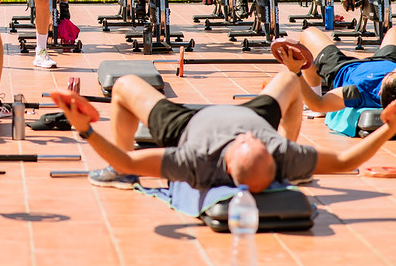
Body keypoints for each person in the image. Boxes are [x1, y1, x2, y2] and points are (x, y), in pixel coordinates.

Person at [58, 66, 396, 192]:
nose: (247, 138)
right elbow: (344, 162)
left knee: (124, 84)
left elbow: (127, 162)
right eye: (260, 143)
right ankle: (300, 176)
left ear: (229, 165)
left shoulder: (196, 161)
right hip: (256, 114)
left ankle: (122, 186)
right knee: (289, 80)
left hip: (185, 126)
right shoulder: (281, 155)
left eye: (246, 144)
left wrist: (85, 130)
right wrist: (387, 128)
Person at [296, 26, 396, 114]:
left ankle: (314, 93)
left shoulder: (358, 90)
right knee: (393, 31)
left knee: (308, 33)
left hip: (343, 68)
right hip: (387, 60)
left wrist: (295, 71)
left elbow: (318, 104)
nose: (391, 72)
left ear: (380, 92)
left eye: (390, 74)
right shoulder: (391, 84)